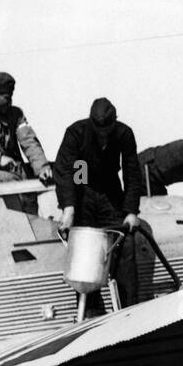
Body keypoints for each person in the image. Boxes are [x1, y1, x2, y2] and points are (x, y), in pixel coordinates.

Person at [53, 97, 146, 307]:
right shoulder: (76, 133)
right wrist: (69, 208)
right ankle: (91, 310)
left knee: (124, 244)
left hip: (110, 189)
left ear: (115, 121)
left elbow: (132, 172)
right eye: (98, 128)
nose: (103, 133)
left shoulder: (124, 134)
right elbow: (65, 170)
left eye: (107, 129)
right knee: (84, 251)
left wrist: (131, 211)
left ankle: (129, 309)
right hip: (83, 185)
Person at [0, 70, 54, 214]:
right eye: (7, 97)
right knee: (8, 180)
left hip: (18, 177)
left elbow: (29, 141)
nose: (10, 102)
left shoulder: (15, 115)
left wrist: (42, 167)